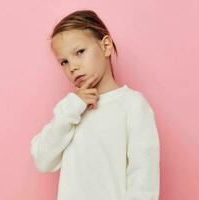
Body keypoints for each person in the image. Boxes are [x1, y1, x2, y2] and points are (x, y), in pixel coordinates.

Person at [30, 9, 160, 200]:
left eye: (79, 52)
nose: (72, 66)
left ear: (106, 46)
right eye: (64, 62)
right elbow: (42, 160)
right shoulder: (70, 110)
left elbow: (143, 179)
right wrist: (72, 109)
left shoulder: (132, 105)